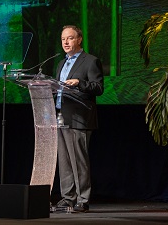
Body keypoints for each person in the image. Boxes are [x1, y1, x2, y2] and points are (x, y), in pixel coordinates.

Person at [54, 25, 104, 212]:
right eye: (63, 39)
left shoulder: (90, 61)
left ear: (79, 39)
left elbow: (98, 88)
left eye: (70, 38)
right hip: (60, 115)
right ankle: (67, 197)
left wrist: (80, 83)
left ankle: (83, 199)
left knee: (79, 160)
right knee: (64, 160)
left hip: (79, 118)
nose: (66, 42)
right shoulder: (60, 63)